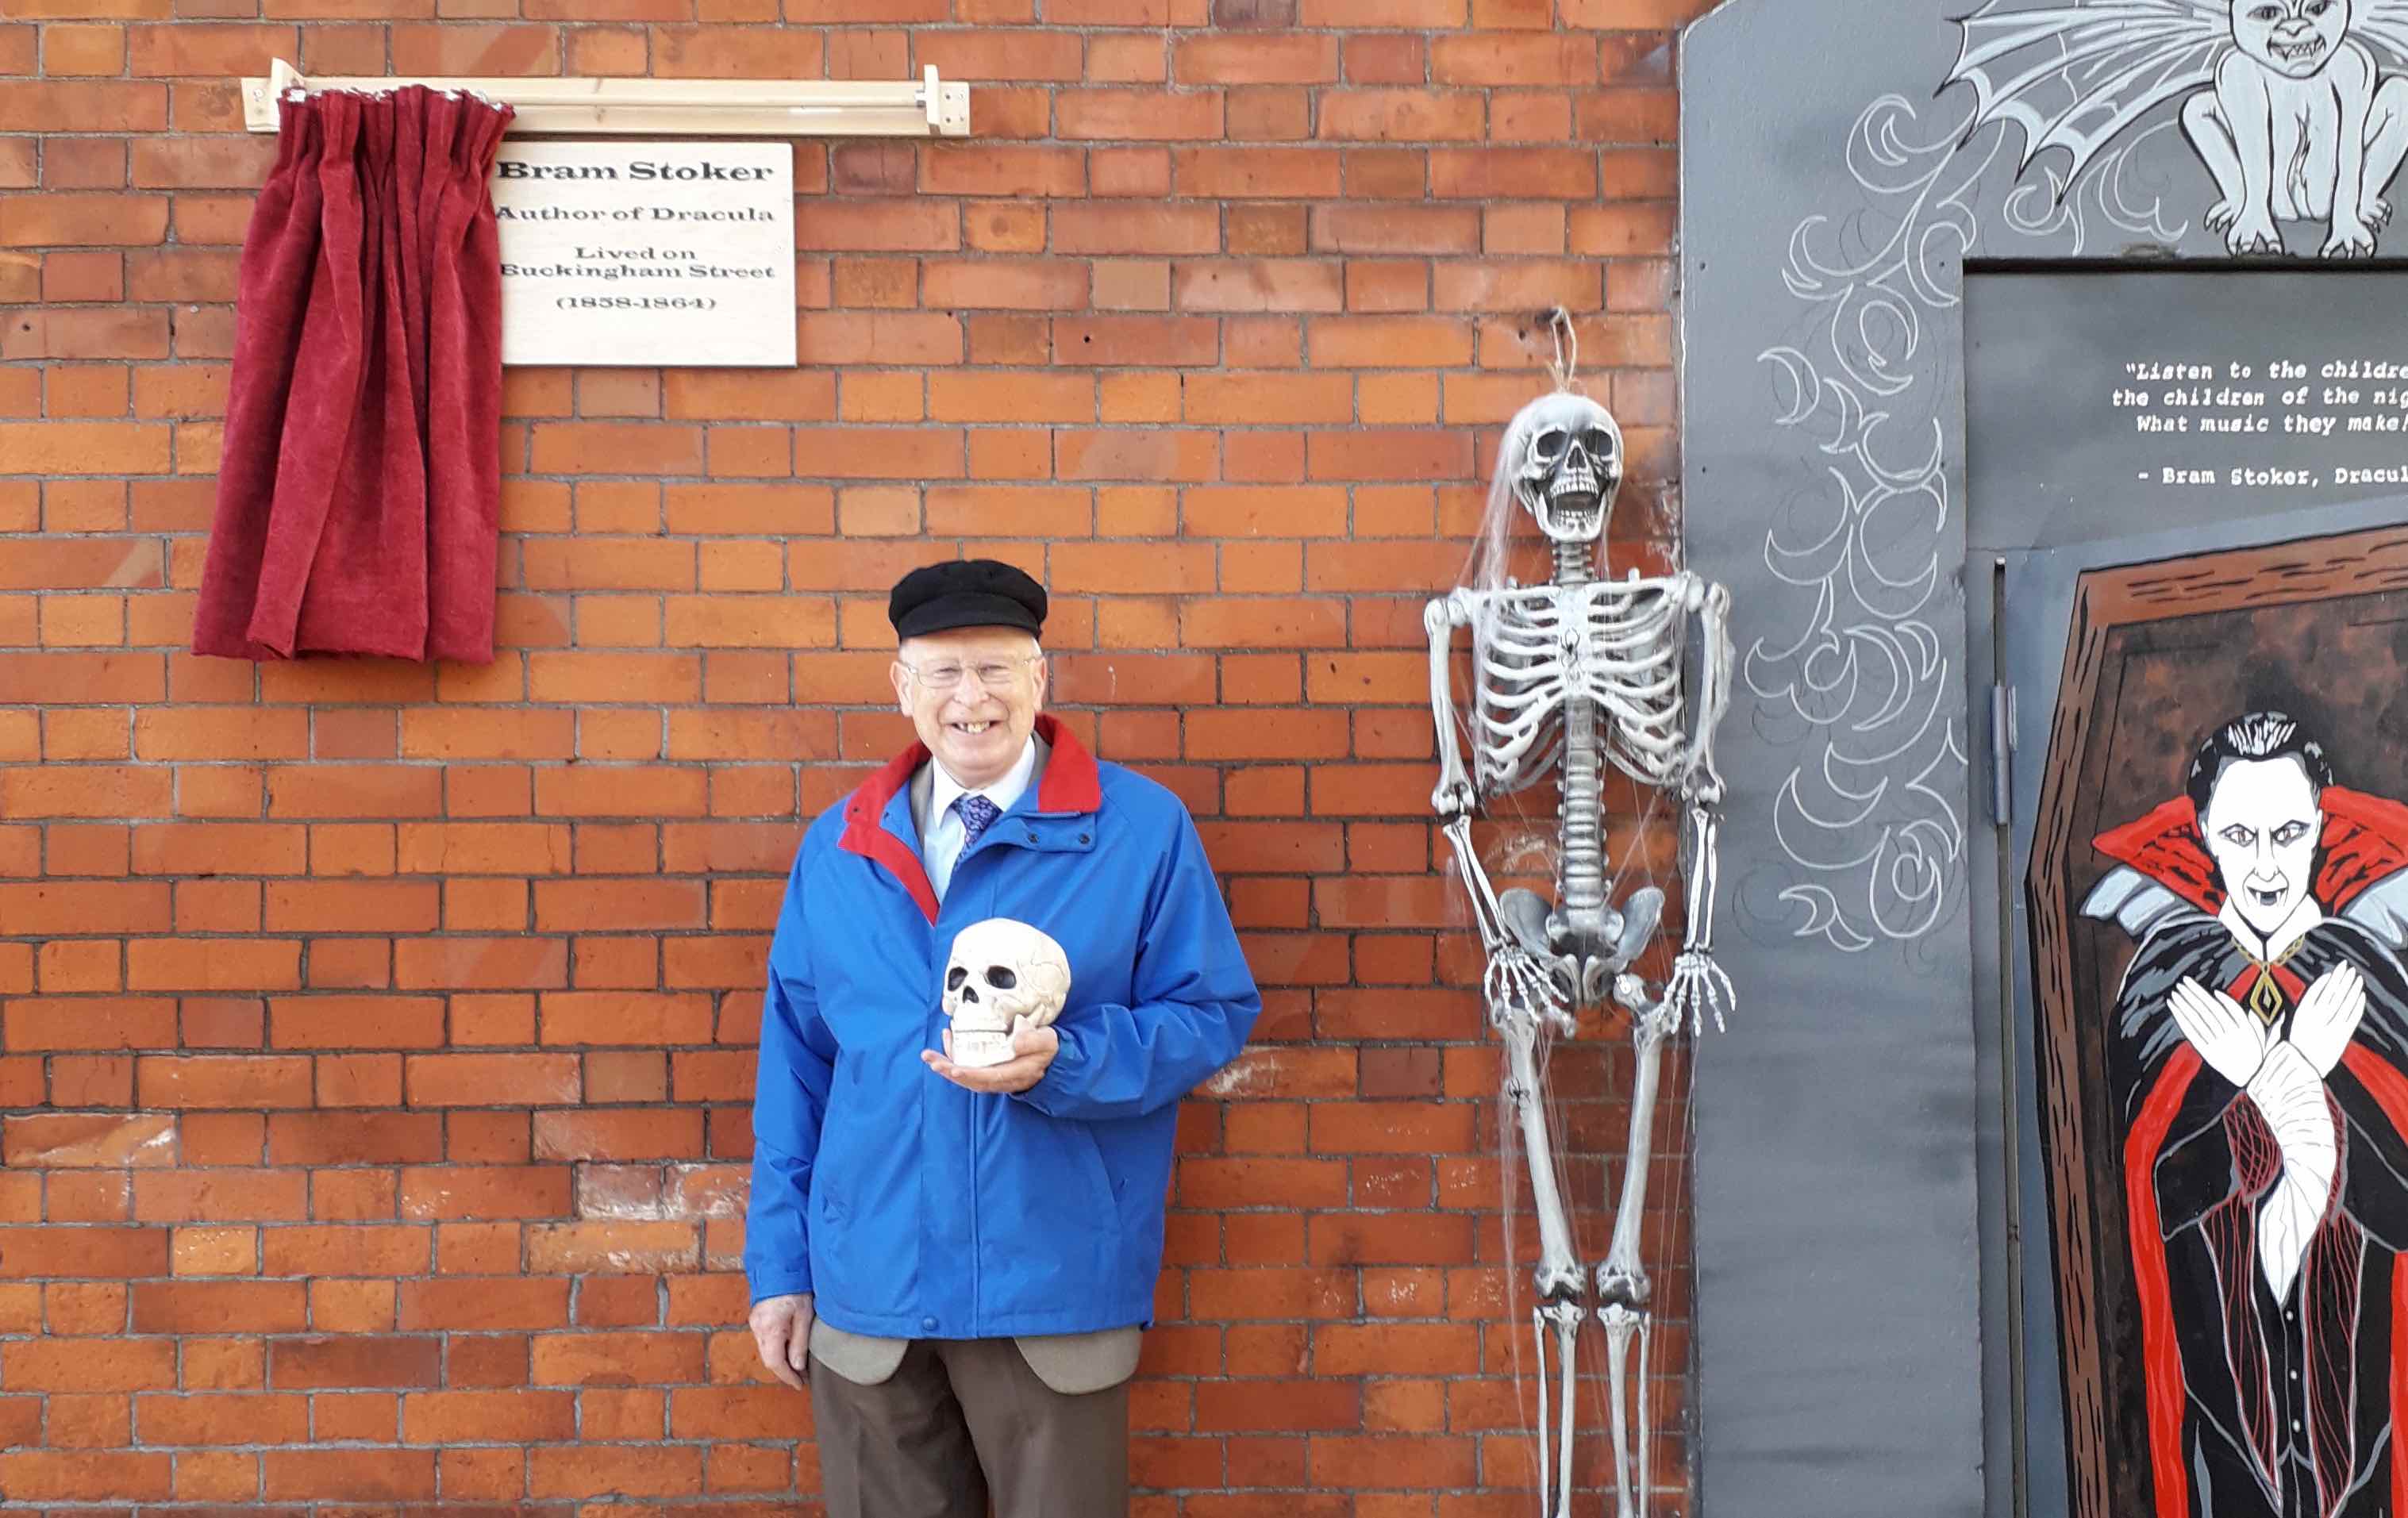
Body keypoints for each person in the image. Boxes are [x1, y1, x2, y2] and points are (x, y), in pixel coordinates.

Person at [744, 557, 1261, 1517]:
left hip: (1050, 1281)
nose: (970, 697)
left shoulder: (1138, 830)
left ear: (1041, 676)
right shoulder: (842, 844)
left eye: (996, 668)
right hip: (873, 1293)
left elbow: (1210, 1012)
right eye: (942, 671)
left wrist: (1066, 1063)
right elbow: (798, 1067)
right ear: (902, 686)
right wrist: (780, 1268)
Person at [2087, 712, 2408, 1517]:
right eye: (2239, 832)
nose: (2264, 863)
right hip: (2226, 1424)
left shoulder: (2366, 976)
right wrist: (2285, 1079)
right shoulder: (2168, 982)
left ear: (2319, 826)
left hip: (2364, 1415)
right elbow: (2154, 1192)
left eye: (2288, 830)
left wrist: (2273, 1073)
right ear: (2202, 831)